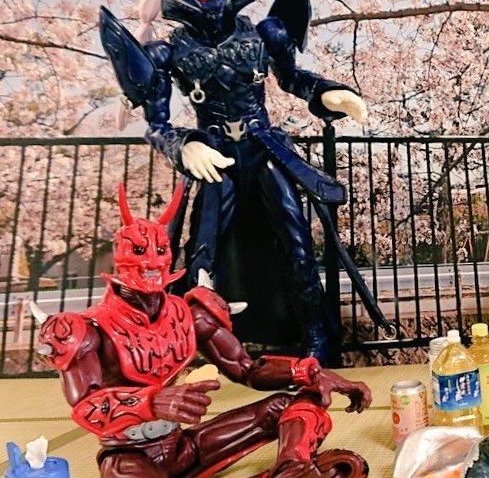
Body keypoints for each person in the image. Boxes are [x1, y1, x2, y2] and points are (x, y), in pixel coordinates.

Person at [98, 0, 389, 362]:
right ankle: (203, 346)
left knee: (296, 241)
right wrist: (186, 146)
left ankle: (316, 337)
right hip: (214, 157)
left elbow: (293, 79)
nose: (212, 2)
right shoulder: (166, 53)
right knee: (203, 254)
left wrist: (329, 93)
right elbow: (156, 126)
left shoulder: (263, 34)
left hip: (262, 147)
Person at [34, 184, 371, 477]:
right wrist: (151, 401)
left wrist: (310, 372)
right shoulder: (85, 330)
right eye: (139, 251)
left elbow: (248, 370)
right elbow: (87, 406)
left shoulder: (189, 315)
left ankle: (292, 469)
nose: (151, 262)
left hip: (182, 444)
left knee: (291, 405)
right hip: (127, 457)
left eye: (160, 250)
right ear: (120, 257)